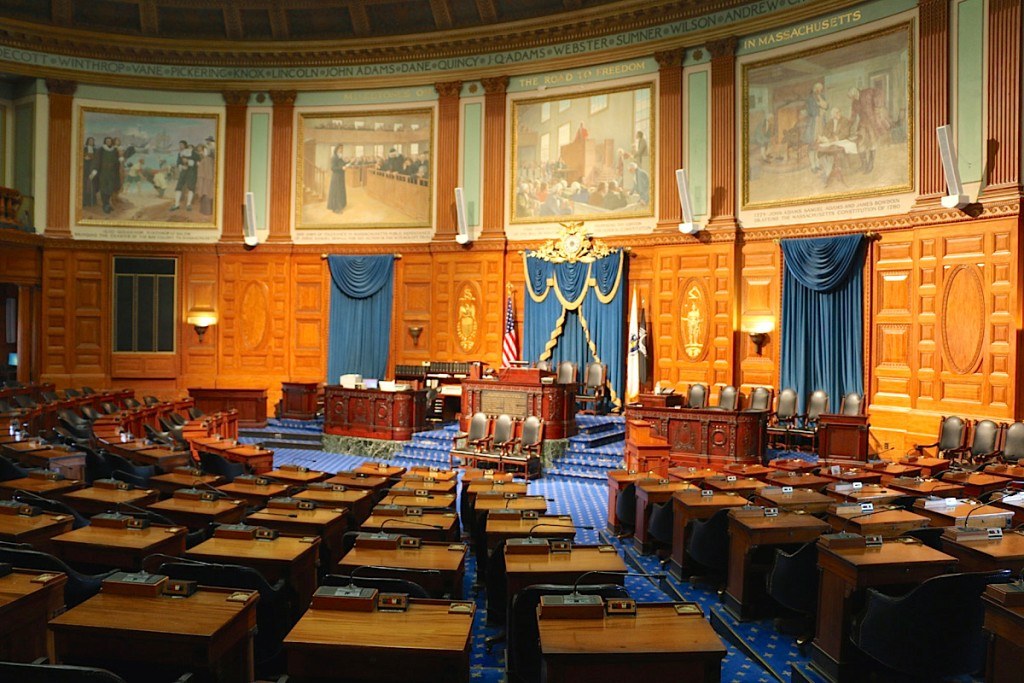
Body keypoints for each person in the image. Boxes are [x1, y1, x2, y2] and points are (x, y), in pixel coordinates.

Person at [804, 81, 828, 173]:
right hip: (814, 124)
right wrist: (819, 111)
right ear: (814, 89)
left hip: (821, 122)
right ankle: (813, 166)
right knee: (812, 144)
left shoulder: (822, 97)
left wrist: (822, 106)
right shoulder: (810, 99)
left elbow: (827, 106)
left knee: (819, 143)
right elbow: (810, 111)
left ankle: (817, 164)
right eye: (818, 89)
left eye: (821, 89)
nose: (819, 91)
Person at [171, 139, 199, 212]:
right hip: (183, 171)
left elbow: (198, 161)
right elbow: (178, 162)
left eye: (181, 145)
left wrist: (189, 162)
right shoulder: (180, 153)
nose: (180, 146)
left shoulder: (192, 152)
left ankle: (188, 204)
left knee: (191, 187)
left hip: (192, 171)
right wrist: (181, 166)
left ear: (185, 145)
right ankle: (176, 204)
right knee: (179, 187)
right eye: (179, 145)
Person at [95, 136, 121, 214]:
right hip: (103, 172)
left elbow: (116, 161)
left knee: (110, 188)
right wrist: (95, 169)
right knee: (104, 188)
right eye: (107, 141)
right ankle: (105, 205)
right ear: (105, 142)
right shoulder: (101, 150)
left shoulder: (114, 150)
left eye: (110, 141)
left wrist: (119, 161)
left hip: (112, 172)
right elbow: (97, 160)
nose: (108, 142)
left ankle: (108, 204)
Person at [326, 145, 348, 213]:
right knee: (336, 192)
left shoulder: (340, 157)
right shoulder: (334, 157)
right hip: (336, 177)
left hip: (340, 177)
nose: (341, 150)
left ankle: (340, 206)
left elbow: (342, 164)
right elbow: (333, 168)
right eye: (340, 148)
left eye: (342, 148)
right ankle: (335, 209)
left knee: (340, 191)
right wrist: (342, 168)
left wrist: (347, 163)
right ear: (336, 149)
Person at [195, 144, 215, 215]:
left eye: (202, 151)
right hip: (205, 179)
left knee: (206, 193)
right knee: (206, 193)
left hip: (207, 179)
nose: (200, 153)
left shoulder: (207, 160)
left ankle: (207, 211)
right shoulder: (205, 160)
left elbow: (205, 173)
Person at [82, 136, 98, 207]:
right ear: (87, 141)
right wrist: (84, 158)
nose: (91, 142)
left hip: (92, 168)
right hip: (86, 168)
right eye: (90, 141)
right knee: (85, 185)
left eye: (92, 141)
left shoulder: (95, 150)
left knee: (93, 185)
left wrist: (95, 169)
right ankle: (85, 202)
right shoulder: (84, 149)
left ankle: (92, 202)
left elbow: (97, 160)